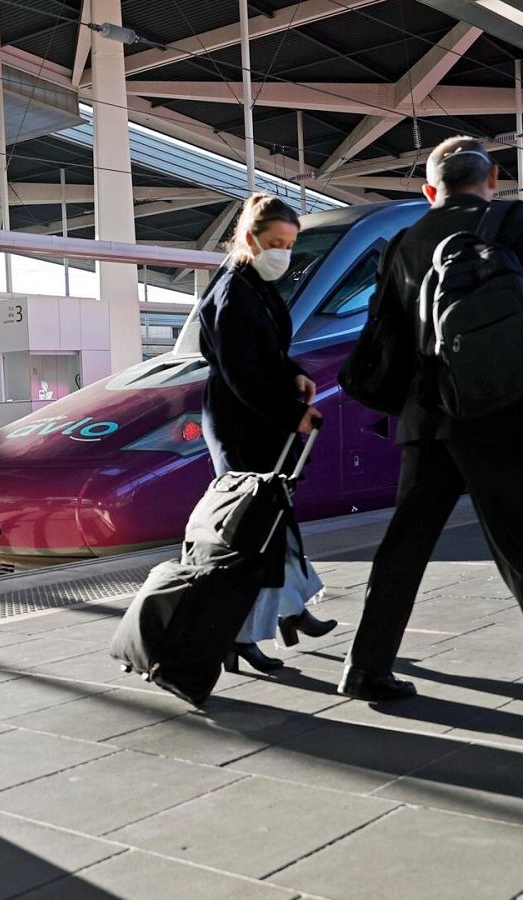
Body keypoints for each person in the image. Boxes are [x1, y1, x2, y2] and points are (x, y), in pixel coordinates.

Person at [338, 136, 523, 703]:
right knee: (521, 540)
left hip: (427, 415)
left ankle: (366, 667)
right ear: (492, 177)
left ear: (429, 191)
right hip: (502, 411)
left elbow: (383, 338)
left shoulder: (401, 242)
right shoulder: (513, 221)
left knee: (404, 545)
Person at [195, 193, 337, 675]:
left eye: (290, 244)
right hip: (242, 419)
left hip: (255, 413)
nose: (284, 253)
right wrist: (287, 413)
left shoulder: (253, 283)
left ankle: (292, 611)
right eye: (275, 242)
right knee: (250, 531)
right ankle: (236, 637)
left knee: (273, 519)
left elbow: (266, 351)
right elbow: (241, 371)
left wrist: (293, 372)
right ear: (250, 239)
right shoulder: (234, 292)